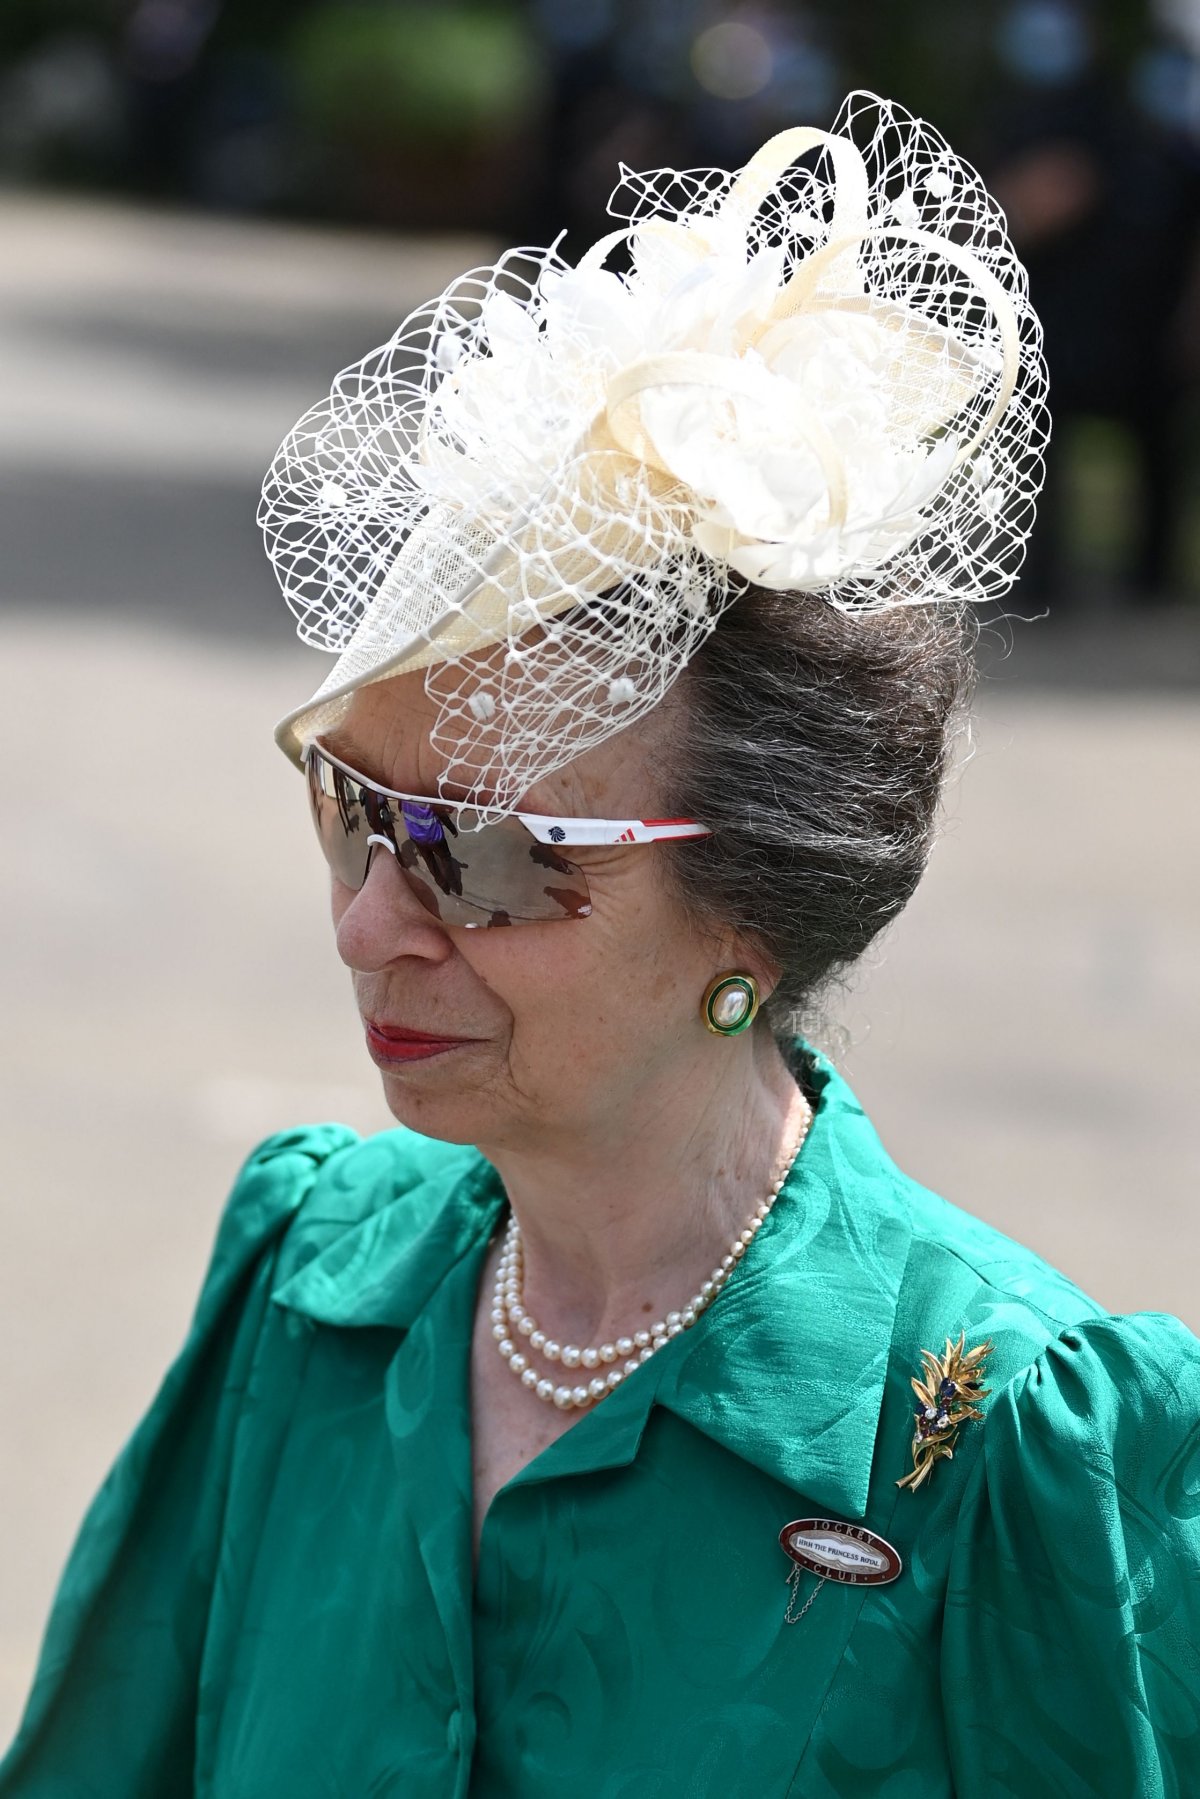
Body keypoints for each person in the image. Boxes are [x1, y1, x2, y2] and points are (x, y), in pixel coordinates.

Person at [2, 90, 1197, 1799]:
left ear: (758, 915)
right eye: (355, 809)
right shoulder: (307, 1282)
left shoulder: (1007, 1450)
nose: (365, 926)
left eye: (480, 860)